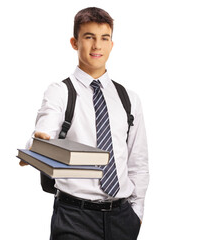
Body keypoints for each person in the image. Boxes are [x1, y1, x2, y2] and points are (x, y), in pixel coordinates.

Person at [21, 7, 149, 240]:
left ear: (112, 44)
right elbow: (43, 131)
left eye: (104, 38)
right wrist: (38, 142)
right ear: (74, 42)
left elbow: (137, 161)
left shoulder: (128, 98)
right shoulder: (60, 92)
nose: (97, 46)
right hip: (74, 217)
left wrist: (136, 213)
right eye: (89, 37)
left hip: (122, 218)